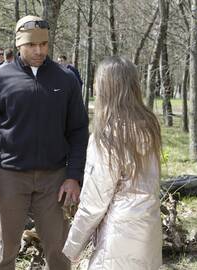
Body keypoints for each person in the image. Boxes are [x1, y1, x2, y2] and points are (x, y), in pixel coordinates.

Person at [0, 15, 89, 270]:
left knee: (59, 249)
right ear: (19, 44)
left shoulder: (65, 80)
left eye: (44, 44)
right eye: (32, 45)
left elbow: (79, 131)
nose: (39, 51)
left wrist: (73, 175)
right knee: (5, 248)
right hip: (9, 177)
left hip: (54, 179)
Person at [62, 56, 162, 269]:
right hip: (148, 230)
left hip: (118, 237)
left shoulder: (108, 136)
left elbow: (94, 201)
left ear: (106, 88)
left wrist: (72, 247)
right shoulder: (149, 126)